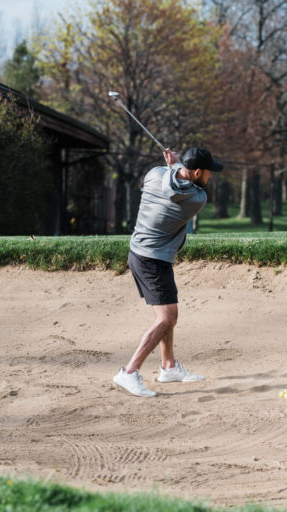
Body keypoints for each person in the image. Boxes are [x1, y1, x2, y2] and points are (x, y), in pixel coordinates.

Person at [113, 147, 223, 397]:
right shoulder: (197, 199)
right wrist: (176, 165)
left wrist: (174, 165)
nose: (211, 177)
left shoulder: (154, 174)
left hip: (143, 253)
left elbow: (171, 176)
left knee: (168, 311)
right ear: (196, 172)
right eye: (208, 173)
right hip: (152, 260)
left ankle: (169, 366)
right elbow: (186, 186)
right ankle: (128, 372)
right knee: (167, 319)